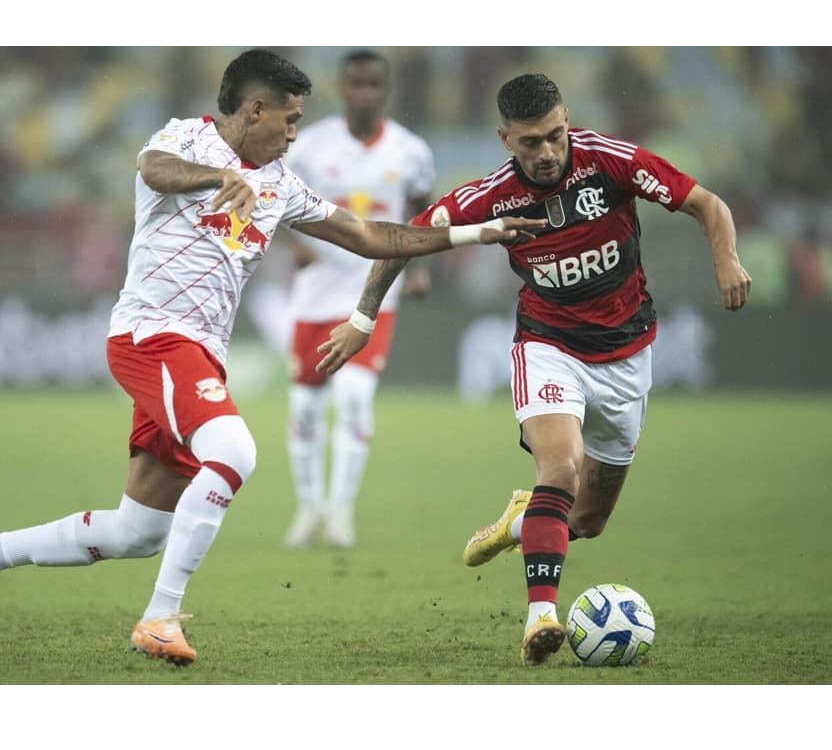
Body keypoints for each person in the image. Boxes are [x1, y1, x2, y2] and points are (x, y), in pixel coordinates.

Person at [0, 49, 544, 666]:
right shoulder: (186, 139)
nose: (294, 132)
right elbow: (152, 169)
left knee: (138, 531)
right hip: (152, 337)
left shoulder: (282, 185)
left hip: (201, 354)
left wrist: (476, 233)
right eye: (288, 119)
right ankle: (159, 618)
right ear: (254, 109)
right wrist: (216, 178)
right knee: (234, 451)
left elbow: (372, 237)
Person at [316, 72, 751, 666]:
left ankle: (526, 520)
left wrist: (725, 258)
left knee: (590, 520)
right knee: (562, 468)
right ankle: (540, 616)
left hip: (627, 353)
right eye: (530, 143)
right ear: (504, 139)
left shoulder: (611, 162)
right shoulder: (488, 197)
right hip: (549, 346)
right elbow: (404, 239)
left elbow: (707, 203)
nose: (546, 153)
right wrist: (363, 321)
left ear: (567, 120)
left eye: (554, 136)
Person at [281, 49, 436, 549]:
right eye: (355, 84)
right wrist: (298, 246)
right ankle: (309, 508)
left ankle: (341, 512)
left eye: (373, 85)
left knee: (353, 399)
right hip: (313, 298)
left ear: (385, 91)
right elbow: (272, 202)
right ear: (342, 88)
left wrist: (419, 270)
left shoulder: (410, 152)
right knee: (305, 408)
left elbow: (423, 216)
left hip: (372, 297)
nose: (364, 93)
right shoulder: (307, 146)